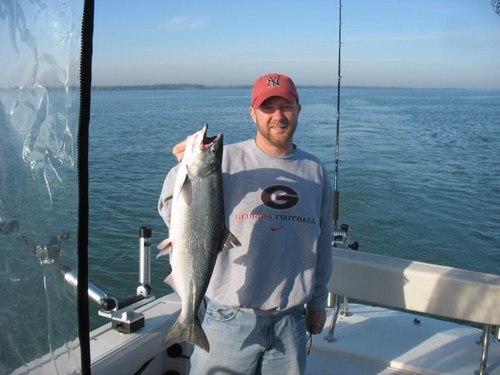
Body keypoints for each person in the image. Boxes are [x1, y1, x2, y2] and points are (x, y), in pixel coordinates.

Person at [158, 73, 332, 374]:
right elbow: (171, 210)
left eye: (286, 106)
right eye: (268, 108)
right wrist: (181, 169)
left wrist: (317, 302)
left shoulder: (315, 171)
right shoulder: (225, 160)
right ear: (252, 114)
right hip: (228, 318)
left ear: (299, 110)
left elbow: (323, 241)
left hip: (291, 322)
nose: (278, 116)